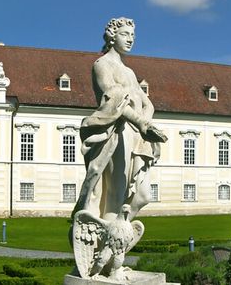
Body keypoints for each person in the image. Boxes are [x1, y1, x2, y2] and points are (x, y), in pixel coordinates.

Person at [72, 17, 168, 221]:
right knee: (116, 193)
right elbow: (113, 99)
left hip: (137, 134)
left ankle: (118, 232)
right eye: (125, 34)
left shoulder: (130, 73)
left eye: (133, 35)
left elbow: (148, 104)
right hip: (117, 130)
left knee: (142, 196)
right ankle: (108, 237)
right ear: (112, 37)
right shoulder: (102, 64)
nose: (130, 39)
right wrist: (140, 122)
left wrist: (145, 126)